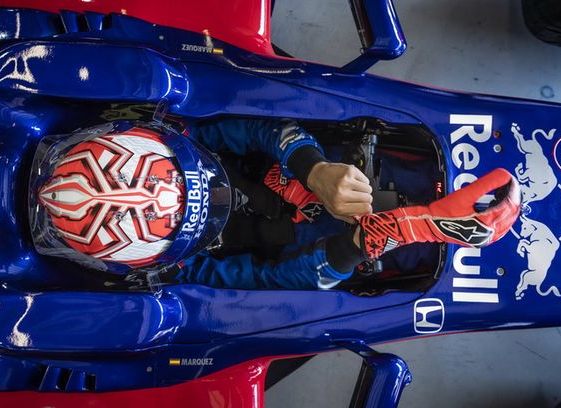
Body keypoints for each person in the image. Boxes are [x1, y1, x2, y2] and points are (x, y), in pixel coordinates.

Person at [31, 118, 520, 290]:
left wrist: (312, 167)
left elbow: (259, 130)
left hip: (359, 169)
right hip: (356, 246)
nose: (222, 195)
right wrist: (384, 235)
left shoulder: (185, 137)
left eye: (204, 181)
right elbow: (276, 279)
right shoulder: (182, 267)